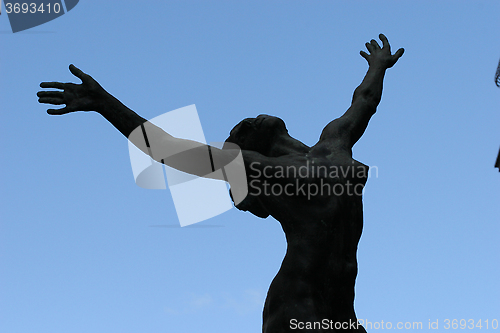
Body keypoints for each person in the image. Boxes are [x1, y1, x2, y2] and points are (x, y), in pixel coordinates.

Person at [38, 34, 404, 332]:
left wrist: (377, 67)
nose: (254, 117)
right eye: (243, 126)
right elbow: (166, 150)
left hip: (342, 318)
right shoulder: (258, 167)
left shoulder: (333, 142)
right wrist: (104, 102)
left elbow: (365, 100)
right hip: (297, 312)